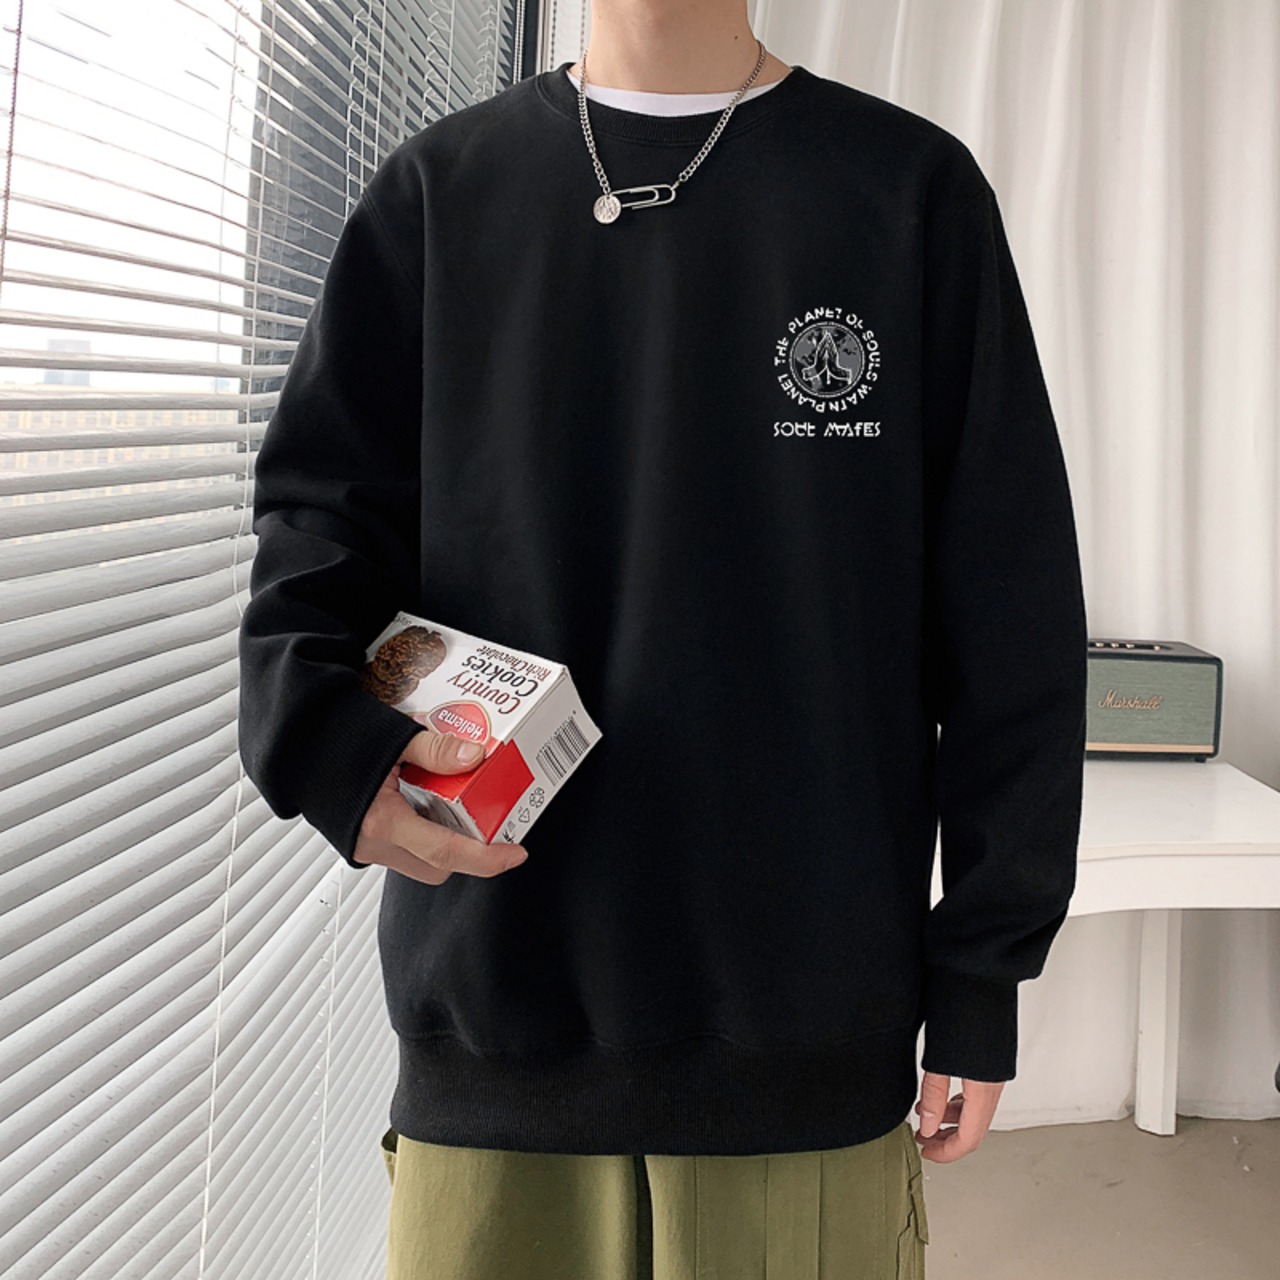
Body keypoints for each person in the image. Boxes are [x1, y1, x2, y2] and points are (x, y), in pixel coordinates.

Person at [237, 1, 1089, 1276]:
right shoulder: (439, 192)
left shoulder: (905, 193)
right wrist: (326, 752)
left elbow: (1008, 606)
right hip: (496, 1013)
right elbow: (316, 525)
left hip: (803, 1031)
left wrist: (981, 965)